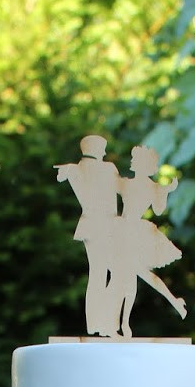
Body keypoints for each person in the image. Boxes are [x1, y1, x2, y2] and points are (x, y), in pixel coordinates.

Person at [106, 144, 188, 339]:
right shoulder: (142, 186)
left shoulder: (135, 185)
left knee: (130, 276)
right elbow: (159, 210)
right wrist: (164, 191)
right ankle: (123, 323)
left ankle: (121, 323)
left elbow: (159, 210)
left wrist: (164, 191)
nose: (132, 162)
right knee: (132, 276)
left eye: (136, 159)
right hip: (128, 231)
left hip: (130, 232)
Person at [55, 136, 120, 337]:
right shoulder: (107, 169)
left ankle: (99, 324)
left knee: (99, 274)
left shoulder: (76, 169)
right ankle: (105, 323)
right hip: (104, 226)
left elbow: (62, 176)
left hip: (91, 226)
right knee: (111, 272)